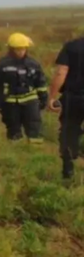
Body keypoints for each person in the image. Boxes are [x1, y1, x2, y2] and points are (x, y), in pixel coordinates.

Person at [0, 33, 48, 143]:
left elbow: (41, 82)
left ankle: (36, 154)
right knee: (13, 130)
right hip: (10, 102)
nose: (20, 51)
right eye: (17, 49)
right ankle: (17, 154)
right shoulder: (2, 64)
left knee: (35, 127)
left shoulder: (33, 64)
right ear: (11, 49)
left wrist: (43, 98)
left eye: (23, 49)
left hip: (30, 101)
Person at [46, 35, 84, 179]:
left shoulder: (71, 46)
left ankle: (68, 168)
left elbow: (61, 72)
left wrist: (52, 97)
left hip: (72, 98)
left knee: (68, 131)